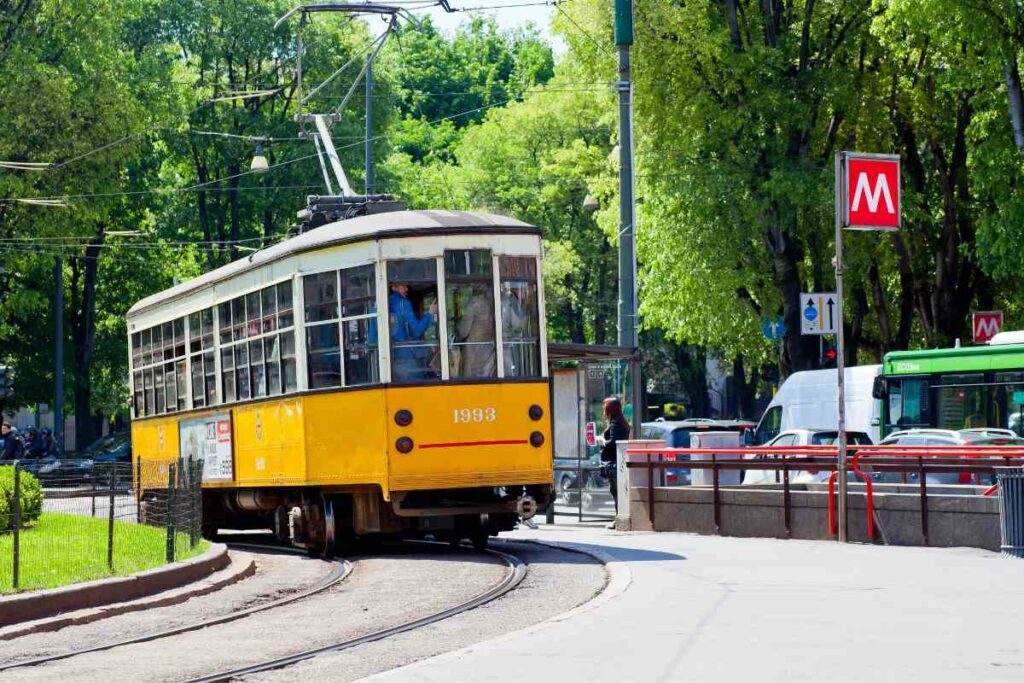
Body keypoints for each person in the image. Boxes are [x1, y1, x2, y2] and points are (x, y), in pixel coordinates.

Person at [388, 283, 437, 381]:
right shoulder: (404, 304)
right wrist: (431, 313)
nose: (407, 289)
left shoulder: (380, 305)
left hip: (390, 362)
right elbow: (417, 330)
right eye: (403, 286)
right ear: (393, 287)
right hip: (407, 361)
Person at [600, 397, 631, 525]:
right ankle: (618, 518)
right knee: (618, 492)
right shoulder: (621, 422)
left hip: (614, 463)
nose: (603, 409)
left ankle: (619, 518)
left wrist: (602, 441)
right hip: (618, 462)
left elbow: (613, 443)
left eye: (604, 407)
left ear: (610, 409)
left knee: (616, 492)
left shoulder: (615, 424)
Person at [455, 286, 496, 378]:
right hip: (489, 350)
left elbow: (464, 331)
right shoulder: (492, 304)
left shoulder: (473, 304)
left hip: (473, 351)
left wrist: (457, 325)